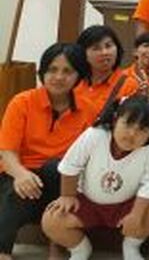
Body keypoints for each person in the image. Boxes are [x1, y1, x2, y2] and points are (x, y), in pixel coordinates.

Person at [0, 44, 95, 260]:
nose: (58, 77)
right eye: (52, 69)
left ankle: (57, 243)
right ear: (42, 72)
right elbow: (7, 151)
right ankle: (3, 251)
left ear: (78, 75)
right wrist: (21, 174)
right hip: (21, 175)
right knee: (16, 192)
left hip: (63, 180)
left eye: (67, 71)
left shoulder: (87, 109)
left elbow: (87, 156)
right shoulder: (22, 102)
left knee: (56, 169)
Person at [41, 96, 149, 260]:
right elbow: (71, 165)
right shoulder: (95, 135)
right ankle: (80, 250)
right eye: (127, 124)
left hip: (127, 205)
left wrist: (136, 215)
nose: (132, 134)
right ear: (115, 119)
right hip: (87, 201)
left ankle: (131, 246)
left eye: (142, 130)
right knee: (52, 220)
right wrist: (67, 196)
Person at [74, 25, 138, 113]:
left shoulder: (129, 85)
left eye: (108, 46)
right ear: (83, 54)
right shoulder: (74, 83)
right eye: (96, 48)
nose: (104, 52)